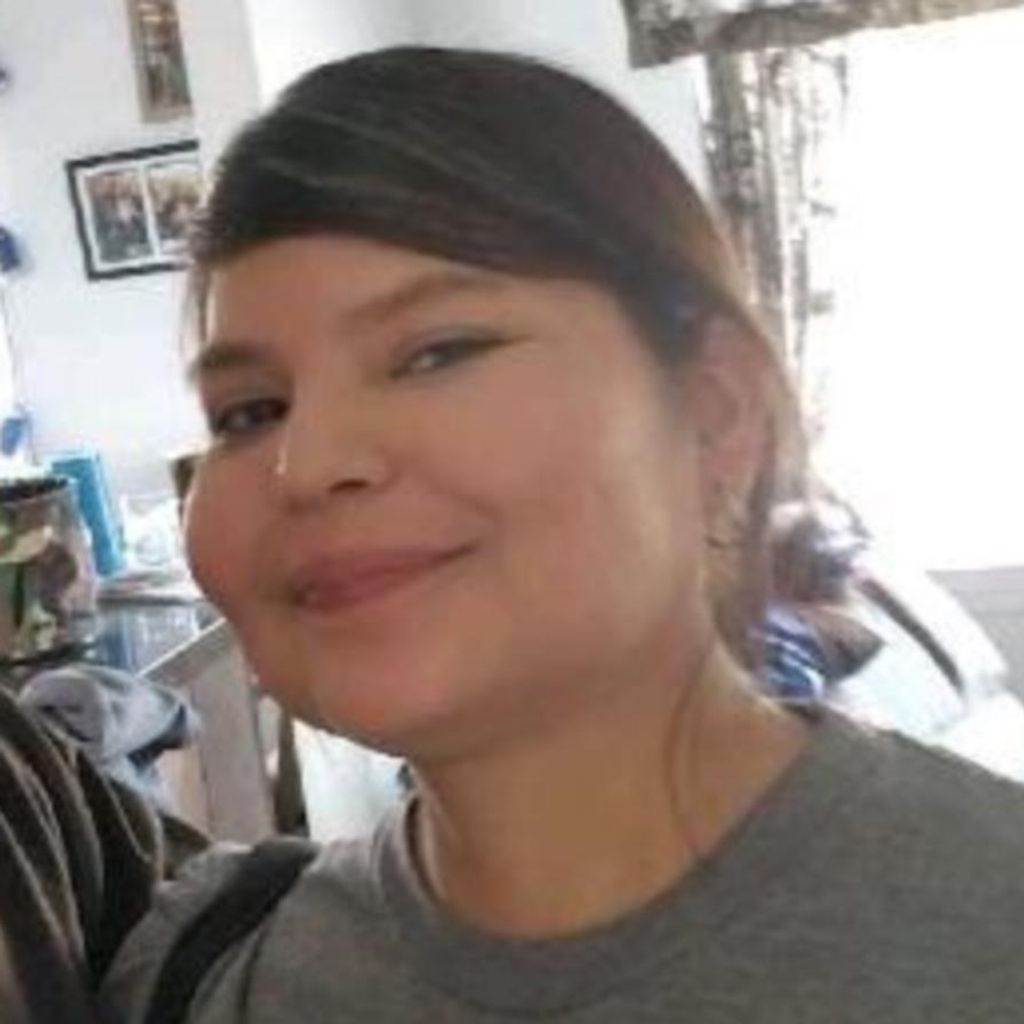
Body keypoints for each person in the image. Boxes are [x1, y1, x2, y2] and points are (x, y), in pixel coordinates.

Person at [5, 46, 1024, 1023]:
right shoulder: (202, 970)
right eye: (249, 412)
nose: (305, 463)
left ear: (716, 414)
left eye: (436, 352)